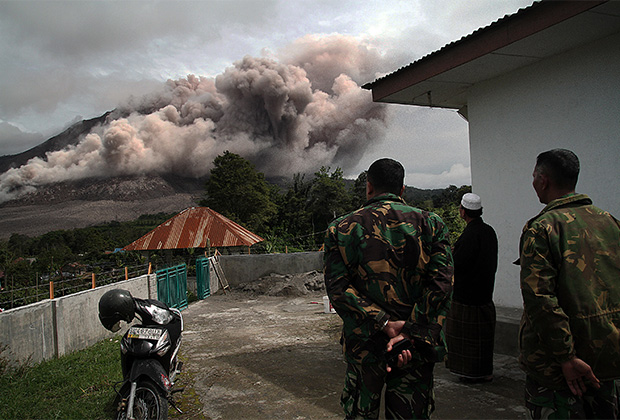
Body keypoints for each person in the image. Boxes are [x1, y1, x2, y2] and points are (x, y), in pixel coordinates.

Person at [323, 158, 453, 419]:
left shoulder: (341, 228)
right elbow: (442, 284)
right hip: (414, 349)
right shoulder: (431, 224)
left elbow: (338, 288)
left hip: (365, 348)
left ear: (368, 187)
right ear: (402, 189)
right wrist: (410, 331)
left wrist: (384, 323)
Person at [518, 148, 620, 419]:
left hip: (559, 369)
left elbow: (540, 300)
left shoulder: (541, 229)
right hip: (605, 359)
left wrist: (566, 356)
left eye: (533, 177)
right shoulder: (609, 222)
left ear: (543, 180)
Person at [445, 193, 498, 383]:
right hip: (485, 294)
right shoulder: (489, 232)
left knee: (467, 341)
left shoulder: (469, 235)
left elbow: (457, 263)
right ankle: (484, 371)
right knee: (482, 340)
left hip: (467, 297)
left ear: (463, 212)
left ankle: (471, 373)